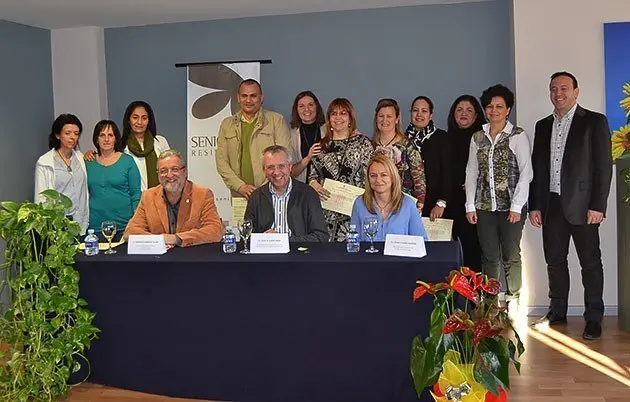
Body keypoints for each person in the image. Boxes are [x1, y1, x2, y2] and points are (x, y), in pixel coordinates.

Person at [529, 72, 613, 340]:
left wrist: (598, 205)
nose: (558, 93)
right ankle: (557, 312)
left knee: (590, 263)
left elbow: (603, 168)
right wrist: (535, 204)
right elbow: (538, 169)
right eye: (553, 88)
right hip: (551, 205)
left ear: (576, 92)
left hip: (584, 205)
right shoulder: (543, 126)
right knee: (554, 261)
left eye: (564, 88)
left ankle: (594, 318)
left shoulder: (594, 122)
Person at [465, 84, 532, 304]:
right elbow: (472, 172)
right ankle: (491, 303)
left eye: (499, 106)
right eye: (490, 106)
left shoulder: (517, 135)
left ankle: (514, 301)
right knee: (490, 257)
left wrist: (516, 206)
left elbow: (526, 173)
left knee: (511, 257)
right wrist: (470, 205)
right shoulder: (477, 138)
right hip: (484, 207)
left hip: (511, 207)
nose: (494, 110)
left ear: (508, 109)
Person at [124, 149, 223, 247]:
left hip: (192, 257)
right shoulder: (148, 196)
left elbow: (215, 230)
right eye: (163, 171)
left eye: (175, 169)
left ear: (185, 172)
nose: (169, 175)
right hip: (159, 259)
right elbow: (130, 232)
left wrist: (176, 239)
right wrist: (158, 241)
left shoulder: (202, 194)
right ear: (158, 175)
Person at [308, 98, 374, 242]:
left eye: (343, 113)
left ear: (350, 118)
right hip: (326, 213)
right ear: (329, 119)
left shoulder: (363, 143)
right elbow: (312, 176)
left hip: (355, 211)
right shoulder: (320, 146)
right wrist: (314, 184)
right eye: (334, 114)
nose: (338, 117)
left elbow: (372, 176)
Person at [216, 79, 291, 198]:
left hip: (271, 193)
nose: (248, 100)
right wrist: (240, 186)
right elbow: (221, 162)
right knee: (242, 218)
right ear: (238, 98)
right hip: (239, 194)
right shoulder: (227, 124)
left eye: (253, 96)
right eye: (244, 96)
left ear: (261, 98)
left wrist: (264, 189)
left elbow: (284, 159)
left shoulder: (276, 120)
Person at [244, 145, 328, 242]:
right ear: (264, 171)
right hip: (266, 254)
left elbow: (321, 236)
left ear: (290, 167)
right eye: (270, 167)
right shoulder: (256, 197)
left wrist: (283, 240)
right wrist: (265, 240)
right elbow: (247, 235)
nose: (276, 172)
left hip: (298, 254)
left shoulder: (308, 194)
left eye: (281, 166)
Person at [447, 95, 486, 271]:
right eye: (459, 110)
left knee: (473, 251)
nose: (464, 114)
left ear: (476, 116)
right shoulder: (444, 139)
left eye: (469, 110)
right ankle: (453, 295)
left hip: (474, 204)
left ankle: (475, 296)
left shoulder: (483, 140)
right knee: (449, 253)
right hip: (449, 203)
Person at [85, 120, 141, 241]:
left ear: (116, 139)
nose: (106, 139)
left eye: (110, 135)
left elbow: (136, 194)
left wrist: (135, 222)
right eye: (102, 135)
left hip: (124, 226)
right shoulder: (87, 162)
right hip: (96, 227)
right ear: (96, 139)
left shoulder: (127, 161)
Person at [351, 154, 427, 241]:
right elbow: (354, 240)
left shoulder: (408, 204)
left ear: (393, 177)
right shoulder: (359, 203)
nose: (378, 180)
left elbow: (422, 241)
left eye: (383, 175)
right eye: (373, 175)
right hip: (367, 254)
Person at [35, 114, 89, 234]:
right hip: (58, 224)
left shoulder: (80, 158)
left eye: (76, 133)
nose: (72, 137)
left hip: (79, 221)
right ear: (58, 135)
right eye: (68, 133)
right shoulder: (45, 162)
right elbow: (40, 197)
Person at [372, 98, 426, 212]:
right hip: (376, 204)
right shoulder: (369, 146)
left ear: (397, 119)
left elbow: (419, 178)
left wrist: (420, 204)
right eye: (381, 116)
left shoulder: (408, 146)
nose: (385, 120)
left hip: (402, 205)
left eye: (389, 116)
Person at [405, 96, 450, 220]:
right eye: (415, 110)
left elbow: (448, 173)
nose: (419, 114)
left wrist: (441, 203)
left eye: (424, 111)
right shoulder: (403, 139)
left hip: (434, 206)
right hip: (407, 203)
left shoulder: (442, 138)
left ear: (431, 115)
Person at [121, 100, 170, 191]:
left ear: (149, 120)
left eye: (144, 118)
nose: (139, 122)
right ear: (128, 120)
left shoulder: (160, 142)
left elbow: (169, 169)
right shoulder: (121, 146)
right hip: (133, 199)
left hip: (159, 197)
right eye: (135, 117)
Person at [288, 90, 326, 183]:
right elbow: (291, 172)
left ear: (317, 107)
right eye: (301, 106)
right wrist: (309, 157)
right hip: (302, 189)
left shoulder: (329, 130)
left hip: (326, 188)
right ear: (296, 110)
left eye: (310, 105)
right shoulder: (291, 135)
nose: (307, 109)